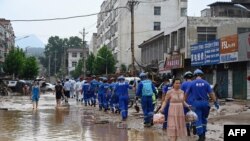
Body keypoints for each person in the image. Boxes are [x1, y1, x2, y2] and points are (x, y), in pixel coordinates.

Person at [186, 69, 219, 141]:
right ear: (202, 75)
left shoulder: (192, 83)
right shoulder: (206, 83)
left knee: (198, 119)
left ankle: (200, 136)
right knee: (204, 119)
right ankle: (203, 135)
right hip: (205, 103)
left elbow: (186, 94)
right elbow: (211, 94)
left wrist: (185, 102)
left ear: (194, 76)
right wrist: (215, 102)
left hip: (196, 103)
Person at [181, 71, 194, 136]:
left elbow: (181, 93)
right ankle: (194, 125)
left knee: (186, 116)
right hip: (194, 102)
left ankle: (187, 129)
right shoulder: (194, 83)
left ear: (185, 77)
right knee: (193, 115)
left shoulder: (183, 84)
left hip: (185, 102)